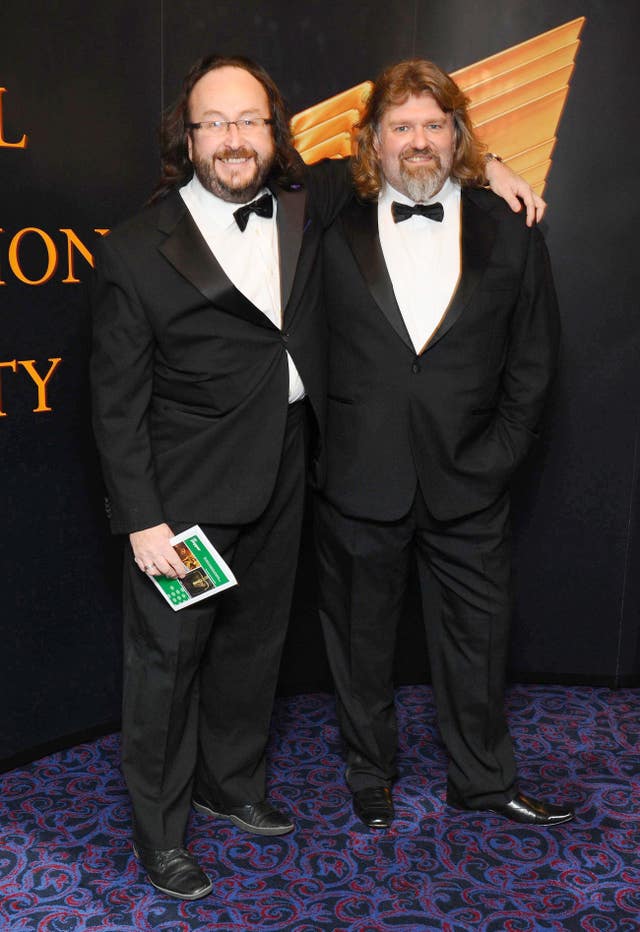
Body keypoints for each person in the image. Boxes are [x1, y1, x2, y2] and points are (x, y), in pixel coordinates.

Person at [90, 52, 547, 899]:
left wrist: (499, 166)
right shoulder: (134, 249)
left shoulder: (309, 201)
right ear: (185, 138)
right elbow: (114, 404)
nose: (234, 140)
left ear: (275, 130)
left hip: (285, 481)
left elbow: (415, 152)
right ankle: (161, 832)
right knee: (167, 668)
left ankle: (232, 788)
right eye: (214, 123)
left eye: (250, 121)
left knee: (252, 655)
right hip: (183, 506)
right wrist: (142, 520)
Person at [316, 58, 573, 831]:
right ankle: (371, 772)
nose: (419, 142)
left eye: (435, 125)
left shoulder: (510, 225)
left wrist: (498, 456)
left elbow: (534, 360)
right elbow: (268, 166)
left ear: (457, 133)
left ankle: (483, 779)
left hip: (471, 476)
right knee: (360, 642)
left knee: (478, 639)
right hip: (361, 479)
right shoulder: (329, 223)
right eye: (402, 127)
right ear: (373, 141)